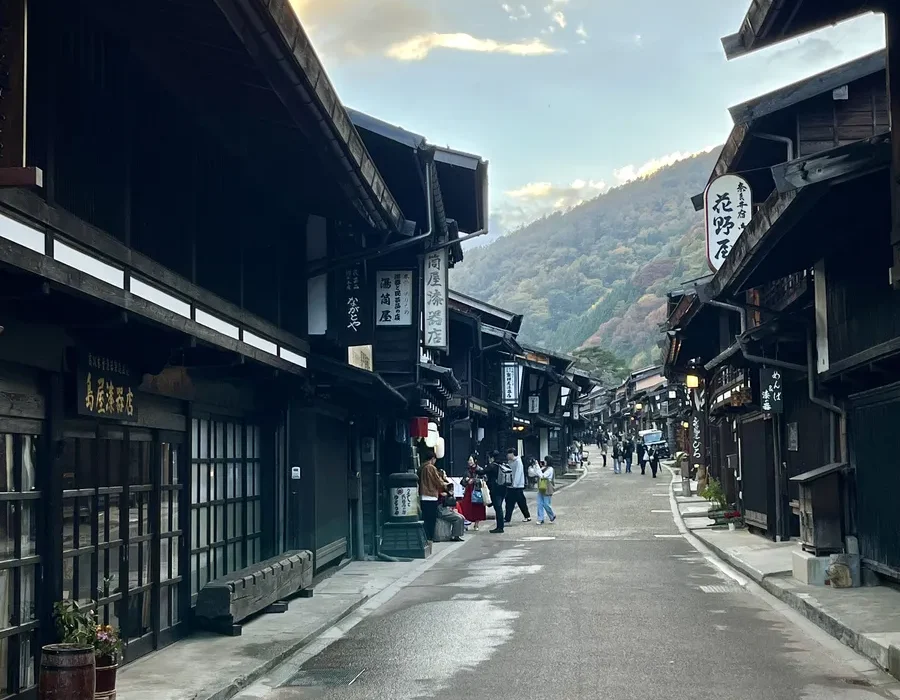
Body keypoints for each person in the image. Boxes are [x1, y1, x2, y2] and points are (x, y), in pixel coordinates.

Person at [418, 448, 444, 543]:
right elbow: (437, 481)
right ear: (432, 458)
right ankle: (430, 537)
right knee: (432, 518)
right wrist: (446, 486)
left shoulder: (421, 467)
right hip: (430, 495)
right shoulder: (431, 468)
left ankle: (425, 536)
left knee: (425, 517)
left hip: (422, 495)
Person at [483, 450, 510, 533]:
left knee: (498, 508)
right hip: (504, 488)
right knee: (499, 507)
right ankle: (500, 526)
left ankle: (500, 527)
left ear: (492, 457)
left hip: (495, 489)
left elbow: (482, 471)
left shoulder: (492, 466)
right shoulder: (503, 464)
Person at [504, 448, 532, 524]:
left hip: (517, 486)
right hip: (511, 485)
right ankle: (507, 518)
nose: (507, 455)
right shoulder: (510, 462)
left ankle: (527, 516)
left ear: (512, 454)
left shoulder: (518, 461)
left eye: (508, 454)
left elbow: (518, 473)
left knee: (520, 502)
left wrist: (515, 484)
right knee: (510, 502)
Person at [459, 456, 487, 530]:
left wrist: (474, 480)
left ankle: (476, 524)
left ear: (475, 460)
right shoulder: (467, 470)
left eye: (471, 460)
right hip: (468, 490)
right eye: (468, 460)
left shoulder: (480, 469)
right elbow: (462, 481)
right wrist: (466, 480)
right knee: (466, 507)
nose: (469, 461)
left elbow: (484, 479)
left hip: (477, 490)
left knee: (477, 507)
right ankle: (466, 523)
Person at [536, 456, 557, 525]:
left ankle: (552, 515)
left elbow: (543, 476)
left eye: (545, 460)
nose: (544, 462)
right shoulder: (544, 468)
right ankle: (540, 518)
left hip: (547, 488)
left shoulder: (550, 469)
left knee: (546, 504)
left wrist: (537, 467)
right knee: (539, 503)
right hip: (542, 486)